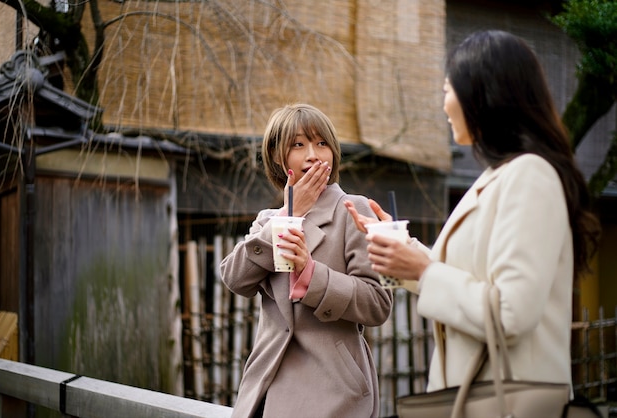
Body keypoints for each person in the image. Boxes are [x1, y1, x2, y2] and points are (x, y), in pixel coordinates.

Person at [345, 30, 601, 394]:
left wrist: (422, 269)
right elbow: (470, 278)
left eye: (448, 89)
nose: (444, 103)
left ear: (482, 96)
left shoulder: (531, 175)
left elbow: (511, 313)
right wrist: (404, 250)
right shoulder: (502, 174)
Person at [220, 103, 393, 418]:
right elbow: (235, 279)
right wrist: (290, 215)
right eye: (298, 145)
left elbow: (378, 303)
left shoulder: (352, 210)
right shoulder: (268, 220)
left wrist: (312, 275)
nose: (313, 154)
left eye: (321, 143)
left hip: (333, 388)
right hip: (266, 388)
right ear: (277, 156)